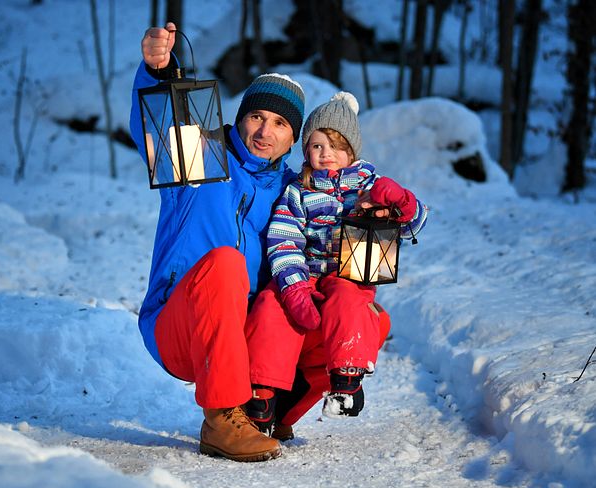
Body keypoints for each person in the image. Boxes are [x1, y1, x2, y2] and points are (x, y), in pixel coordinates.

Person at [129, 22, 306, 462]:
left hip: (238, 336)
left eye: (280, 123)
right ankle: (221, 416)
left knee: (332, 298)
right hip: (180, 323)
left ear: (293, 138)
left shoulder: (291, 191)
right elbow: (154, 128)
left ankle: (271, 406)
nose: (264, 131)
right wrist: (156, 72)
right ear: (241, 116)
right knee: (226, 262)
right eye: (257, 116)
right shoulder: (200, 156)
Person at [243, 92, 429, 438]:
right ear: (306, 152)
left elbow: (414, 224)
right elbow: (285, 240)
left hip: (350, 273)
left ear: (352, 150)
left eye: (335, 145)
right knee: (271, 304)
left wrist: (400, 202)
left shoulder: (370, 189)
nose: (325, 153)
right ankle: (262, 393)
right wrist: (294, 286)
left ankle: (346, 380)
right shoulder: (298, 191)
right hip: (307, 274)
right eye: (316, 146)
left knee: (349, 301)